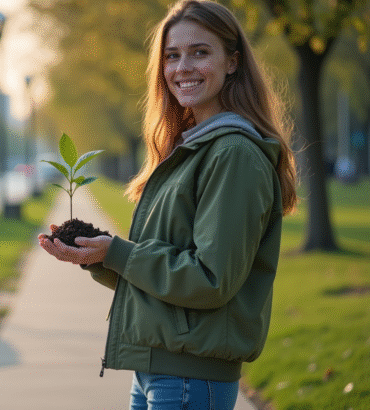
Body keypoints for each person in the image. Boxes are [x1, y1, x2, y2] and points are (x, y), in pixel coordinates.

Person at [38, 0, 298, 408]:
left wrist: (119, 252)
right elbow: (167, 277)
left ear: (232, 62)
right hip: (159, 373)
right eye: (172, 56)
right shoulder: (189, 149)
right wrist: (99, 257)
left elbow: (211, 279)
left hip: (190, 377)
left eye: (200, 52)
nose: (182, 68)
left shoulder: (232, 154)